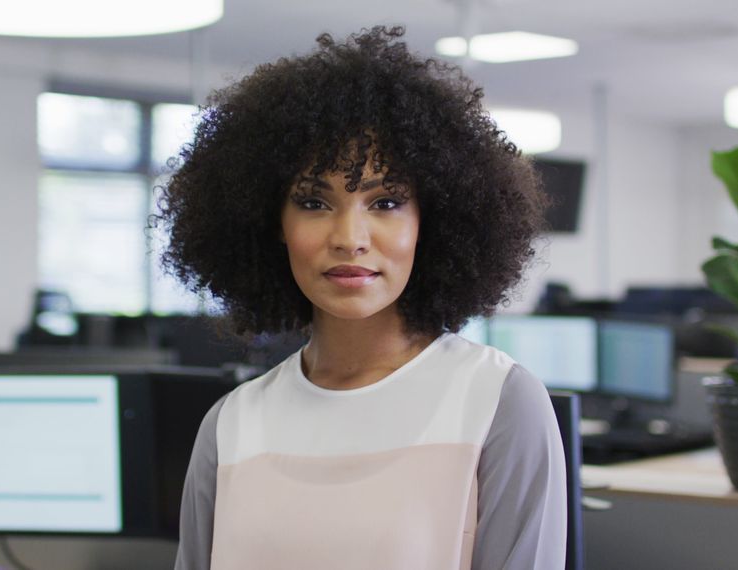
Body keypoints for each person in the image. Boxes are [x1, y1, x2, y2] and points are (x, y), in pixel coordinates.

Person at [158, 25, 566, 570]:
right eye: (313, 201)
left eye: (387, 201)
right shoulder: (231, 425)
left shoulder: (498, 402)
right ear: (271, 222)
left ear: (433, 221)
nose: (349, 237)